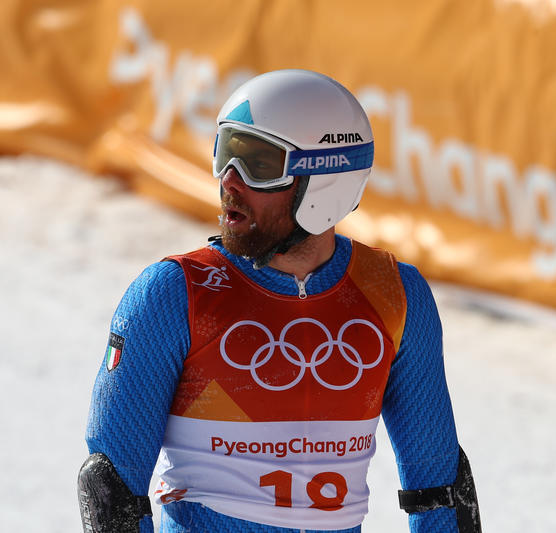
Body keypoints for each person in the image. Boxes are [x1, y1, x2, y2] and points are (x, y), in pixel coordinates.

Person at [78, 69, 481, 533]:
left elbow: (440, 490)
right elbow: (111, 491)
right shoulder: (175, 294)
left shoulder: (394, 294)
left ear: (325, 180)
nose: (230, 181)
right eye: (226, 154)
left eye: (259, 164)